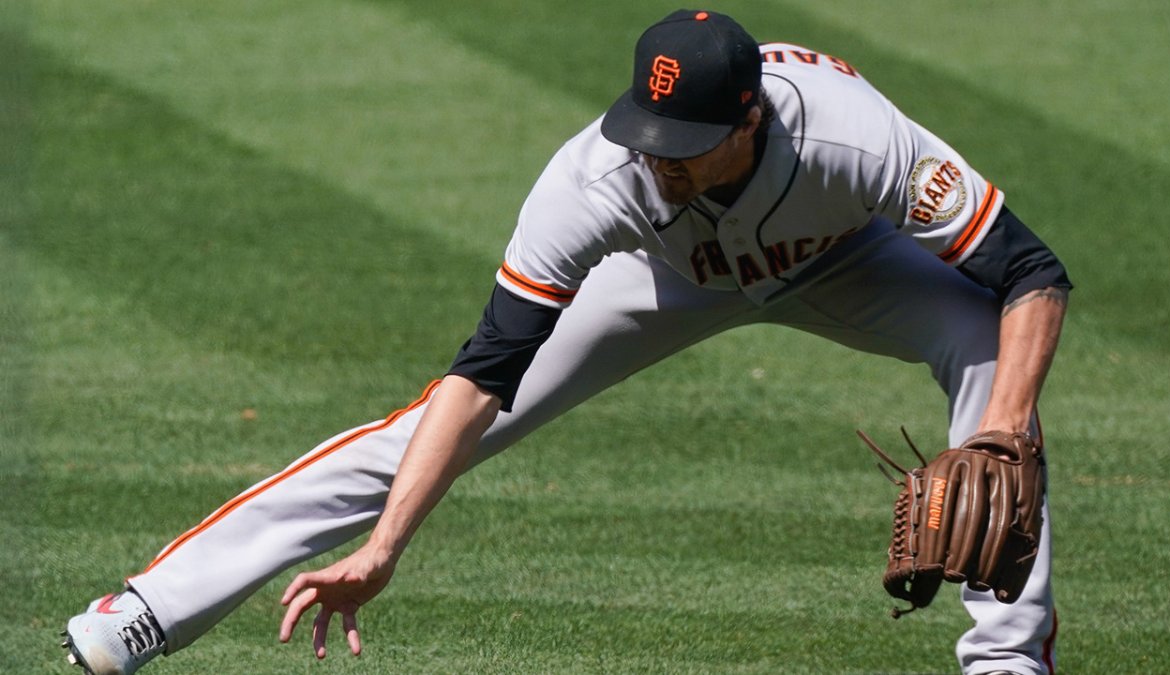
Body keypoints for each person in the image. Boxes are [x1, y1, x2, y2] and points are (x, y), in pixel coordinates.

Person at [62, 9, 1070, 675]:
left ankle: (1005, 662)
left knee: (989, 344)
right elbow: (485, 372)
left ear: (747, 120)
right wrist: (385, 548)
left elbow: (1031, 272)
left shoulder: (858, 139)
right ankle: (146, 610)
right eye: (649, 131)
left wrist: (1004, 430)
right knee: (421, 434)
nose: (659, 160)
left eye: (685, 144)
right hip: (663, 281)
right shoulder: (596, 179)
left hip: (847, 262)